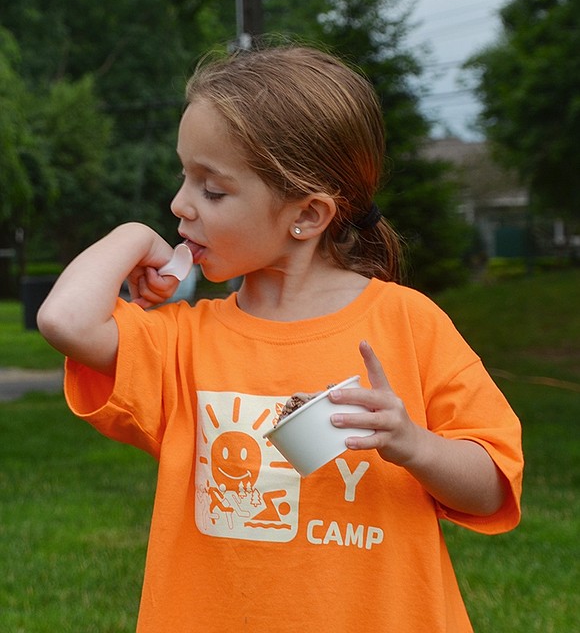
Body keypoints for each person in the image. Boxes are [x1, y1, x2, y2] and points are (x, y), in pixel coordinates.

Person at [37, 45, 523, 633]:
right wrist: (134, 235)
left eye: (212, 190)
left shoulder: (408, 322)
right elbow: (65, 321)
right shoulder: (183, 342)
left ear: (308, 216)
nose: (179, 204)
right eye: (184, 174)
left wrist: (411, 443)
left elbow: (493, 489)